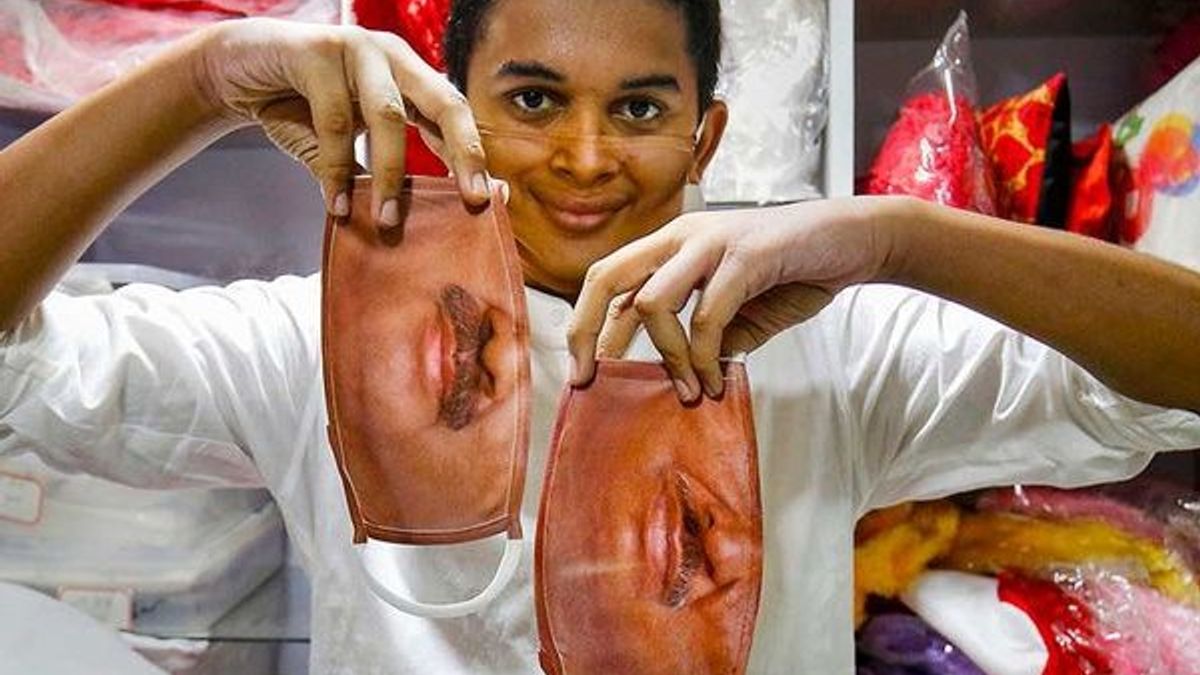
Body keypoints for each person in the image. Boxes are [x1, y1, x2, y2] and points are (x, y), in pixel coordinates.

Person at [0, 0, 1197, 672]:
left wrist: (897, 236)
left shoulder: (827, 346)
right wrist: (203, 78)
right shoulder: (326, 340)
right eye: (533, 100)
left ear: (706, 135)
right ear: (453, 111)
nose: (585, 158)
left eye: (638, 107)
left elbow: (1175, 381)